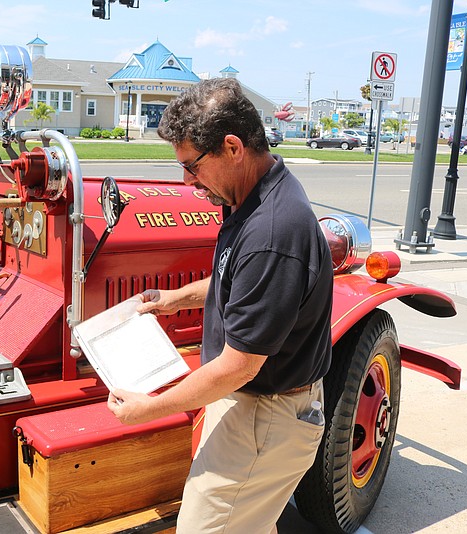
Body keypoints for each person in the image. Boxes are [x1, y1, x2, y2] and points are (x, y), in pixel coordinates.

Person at [106, 77, 334, 533]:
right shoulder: (249, 195)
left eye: (191, 166)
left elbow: (238, 366)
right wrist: (175, 299)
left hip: (263, 416)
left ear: (232, 147)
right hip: (251, 408)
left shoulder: (272, 230)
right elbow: (238, 278)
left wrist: (146, 410)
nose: (187, 181)